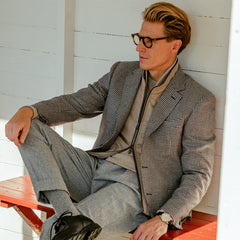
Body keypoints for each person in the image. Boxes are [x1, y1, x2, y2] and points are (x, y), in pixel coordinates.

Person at [5, 2, 216, 240]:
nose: (140, 48)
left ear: (174, 46)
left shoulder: (197, 100)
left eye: (149, 41)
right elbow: (76, 104)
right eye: (139, 38)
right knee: (30, 125)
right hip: (96, 168)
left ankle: (66, 222)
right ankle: (67, 214)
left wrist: (165, 217)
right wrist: (28, 110)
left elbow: (198, 173)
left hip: (136, 189)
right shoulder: (122, 73)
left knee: (54, 230)